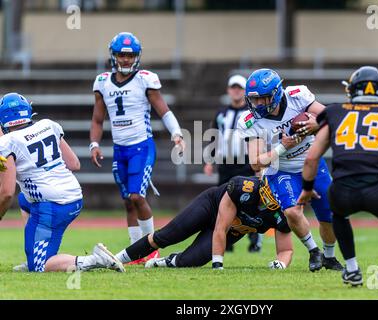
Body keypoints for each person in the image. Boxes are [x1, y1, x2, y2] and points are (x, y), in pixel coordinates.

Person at [298, 66, 378, 289]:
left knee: (338, 215)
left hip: (342, 188)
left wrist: (307, 189)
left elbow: (311, 158)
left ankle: (351, 269)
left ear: (351, 90)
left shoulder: (335, 112)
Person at [0, 92, 124, 273]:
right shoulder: (48, 125)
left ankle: (93, 259)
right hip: (74, 197)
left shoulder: (6, 142)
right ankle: (38, 250)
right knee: (24, 199)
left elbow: (6, 192)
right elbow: (74, 164)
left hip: (52, 206)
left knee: (39, 266)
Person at [89, 32, 185, 264]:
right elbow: (97, 120)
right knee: (127, 201)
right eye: (122, 55)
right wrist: (94, 143)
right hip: (120, 149)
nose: (126, 60)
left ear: (137, 57)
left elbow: (163, 110)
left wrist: (176, 133)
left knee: (137, 196)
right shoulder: (102, 82)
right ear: (114, 56)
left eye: (130, 56)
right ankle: (135, 251)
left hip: (141, 146)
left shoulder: (145, 79)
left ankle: (151, 247)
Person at [237, 68, 343, 272]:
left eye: (263, 99)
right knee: (292, 212)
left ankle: (329, 257)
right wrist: (283, 147)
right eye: (254, 100)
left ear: (276, 93)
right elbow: (256, 163)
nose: (258, 104)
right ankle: (314, 251)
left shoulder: (298, 96)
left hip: (312, 162)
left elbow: (331, 116)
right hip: (281, 170)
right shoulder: (249, 121)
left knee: (328, 216)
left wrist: (317, 123)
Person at [114, 176, 293, 270]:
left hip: (231, 231)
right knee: (166, 236)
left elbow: (286, 250)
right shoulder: (243, 187)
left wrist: (281, 264)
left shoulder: (282, 214)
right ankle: (116, 259)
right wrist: (217, 263)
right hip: (211, 207)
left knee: (190, 261)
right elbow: (220, 228)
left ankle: (166, 261)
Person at [203, 74, 263, 253]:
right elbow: (214, 135)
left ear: (245, 92)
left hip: (246, 162)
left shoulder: (252, 113)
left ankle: (255, 239)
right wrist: (209, 160)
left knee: (250, 201)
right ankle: (226, 240)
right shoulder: (221, 113)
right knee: (223, 202)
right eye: (233, 88)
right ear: (229, 90)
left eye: (240, 88)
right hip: (225, 163)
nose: (236, 91)